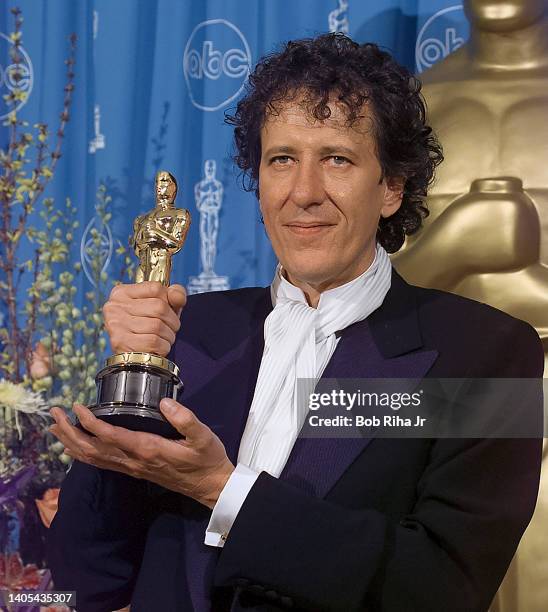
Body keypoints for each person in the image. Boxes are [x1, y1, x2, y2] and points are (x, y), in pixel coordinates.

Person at [47, 34, 544, 612]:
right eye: (281, 159)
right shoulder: (186, 334)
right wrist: (123, 389)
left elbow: (444, 588)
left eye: (337, 159)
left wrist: (222, 490)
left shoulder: (489, 352)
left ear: (391, 187)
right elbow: (88, 579)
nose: (303, 193)